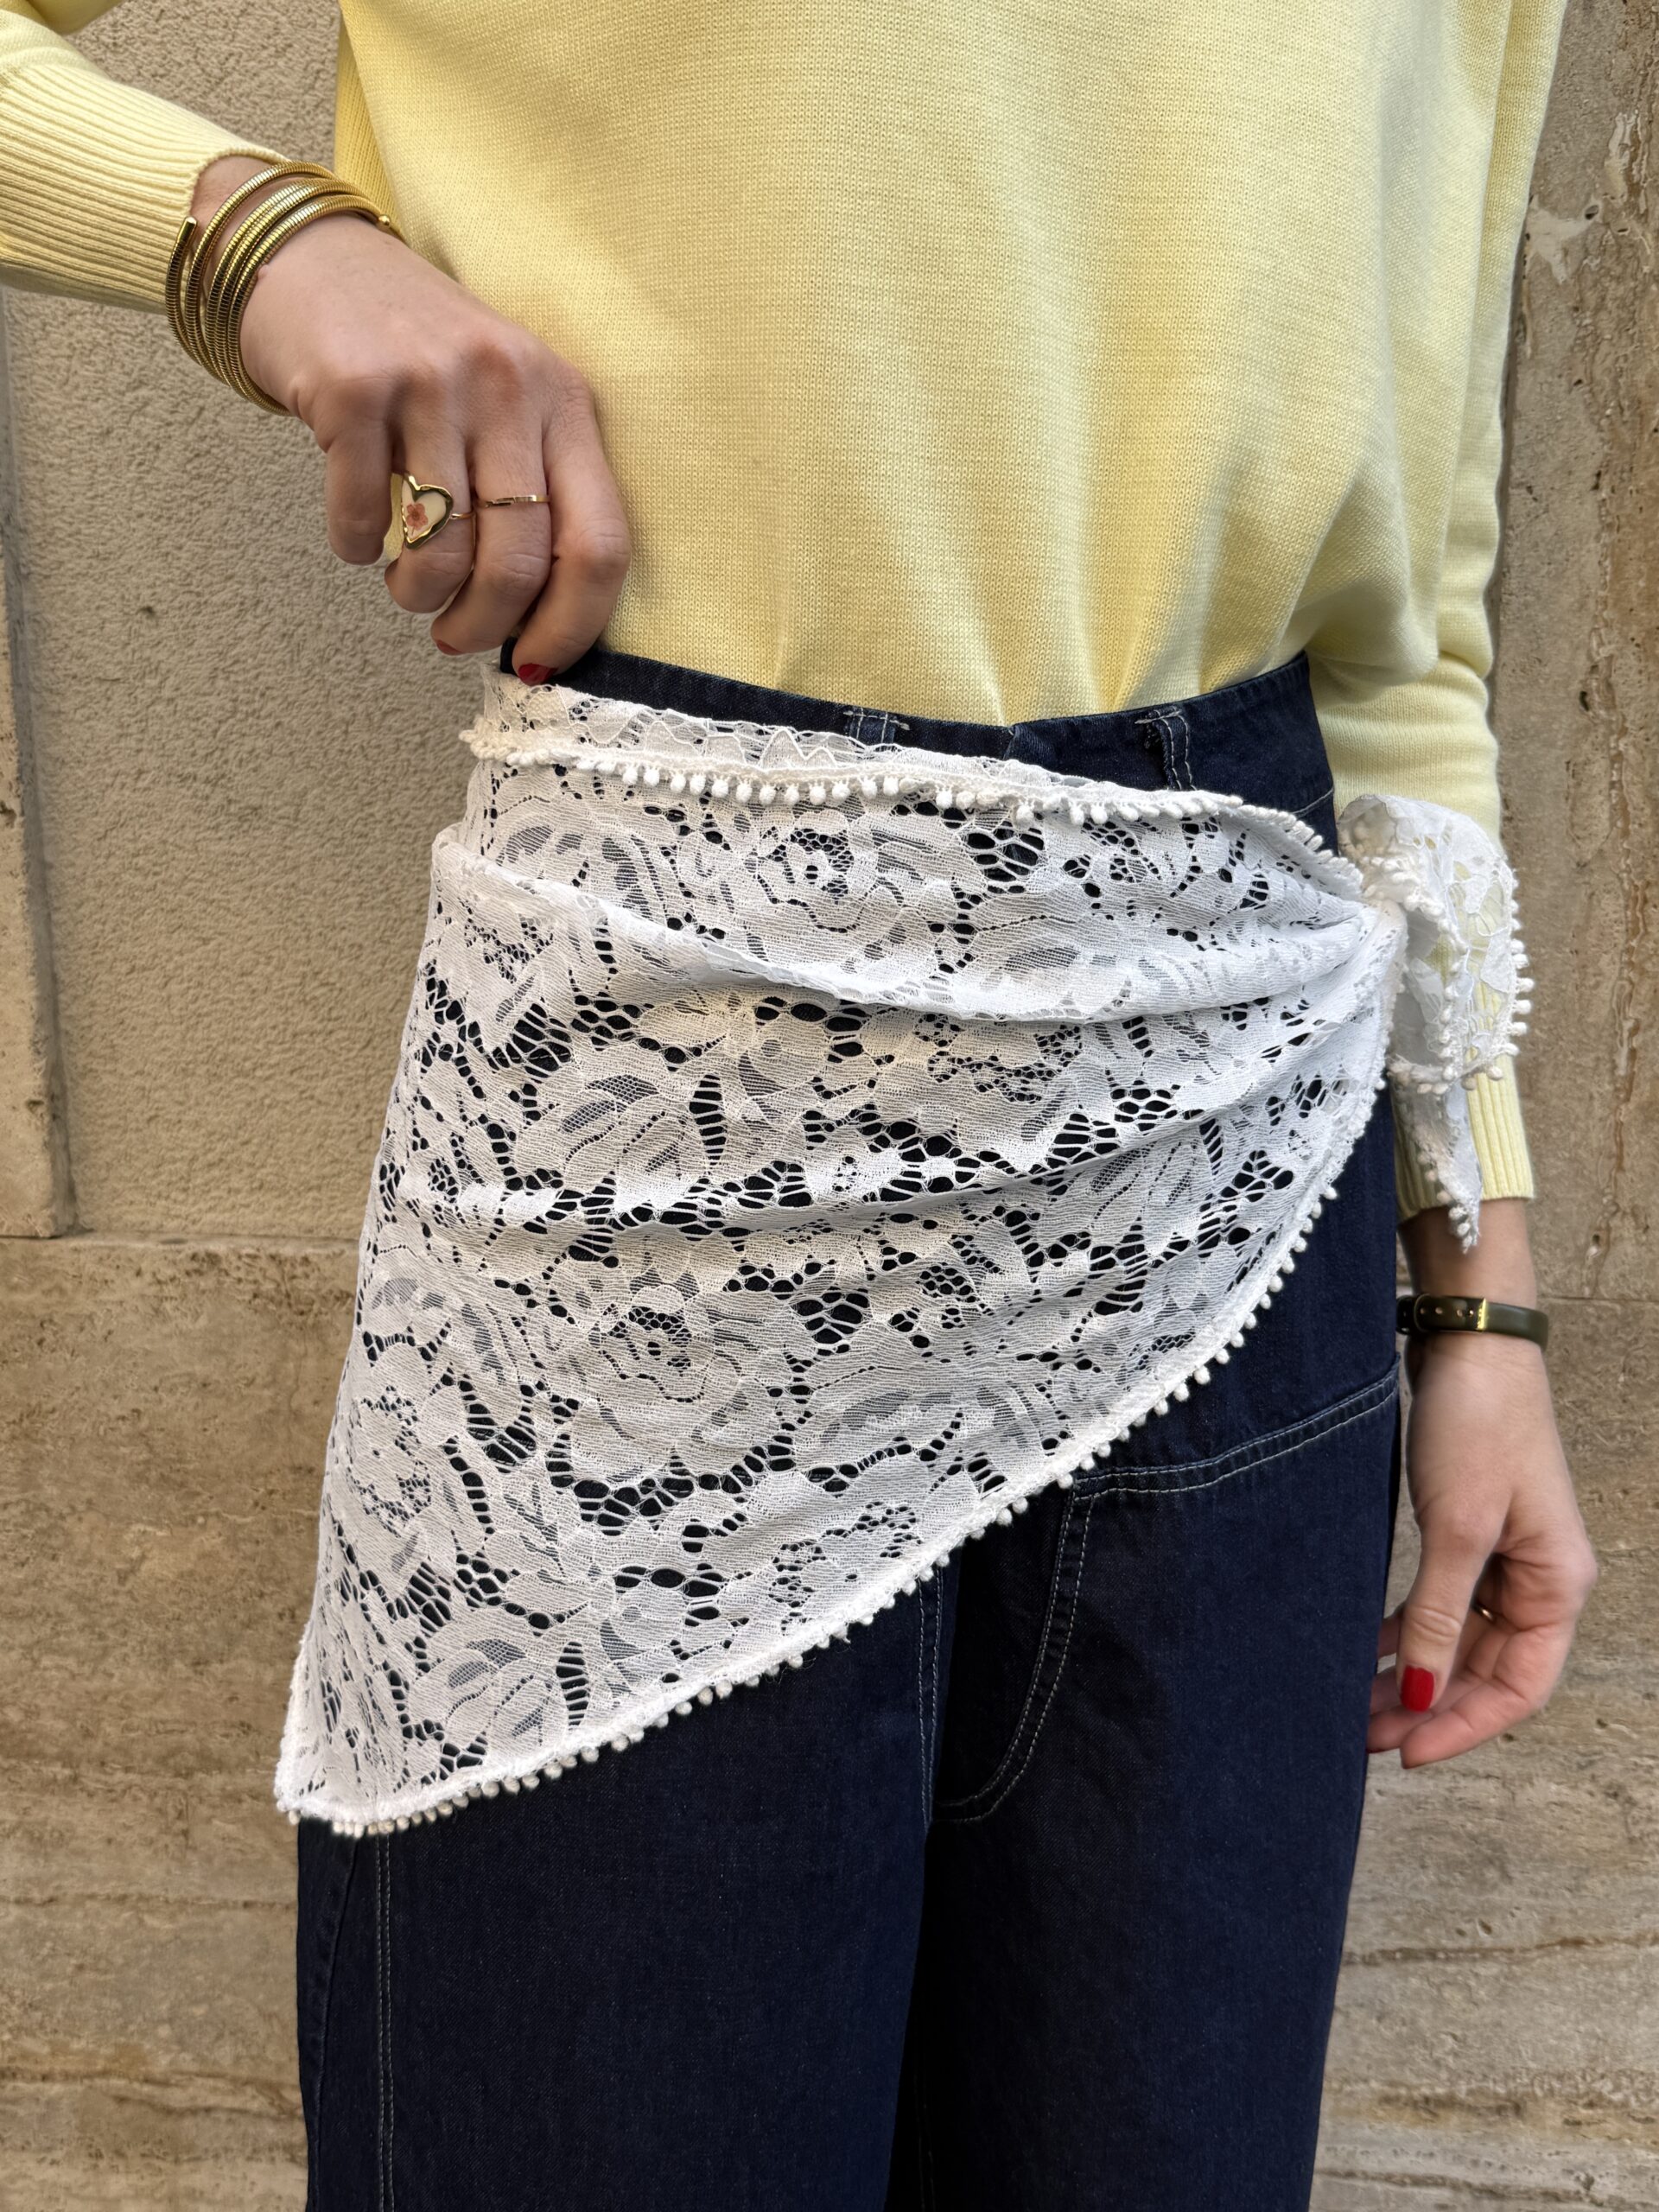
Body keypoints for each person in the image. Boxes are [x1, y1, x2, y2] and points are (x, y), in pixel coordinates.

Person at [0, 4, 1599, 2206]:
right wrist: (257, 241)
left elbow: (1406, 628)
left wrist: (1478, 1285)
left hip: (1236, 1207)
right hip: (657, 1120)